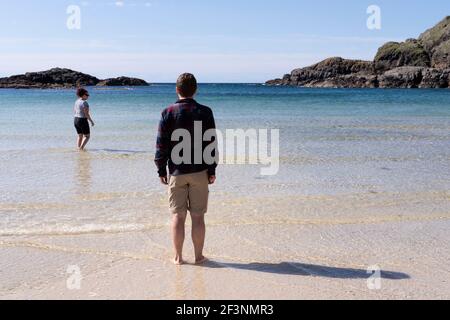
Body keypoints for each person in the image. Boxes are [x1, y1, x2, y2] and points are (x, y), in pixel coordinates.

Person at [155, 73, 218, 265]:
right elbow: (211, 142)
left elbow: (161, 144)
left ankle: (178, 257)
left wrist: (161, 169)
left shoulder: (168, 112)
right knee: (198, 217)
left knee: (178, 216)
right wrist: (212, 169)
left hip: (176, 172)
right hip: (199, 171)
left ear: (177, 89)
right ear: (196, 89)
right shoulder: (205, 112)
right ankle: (198, 257)